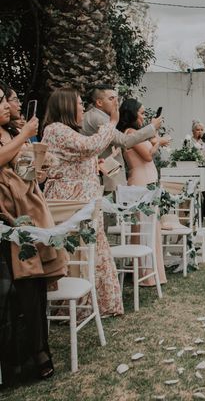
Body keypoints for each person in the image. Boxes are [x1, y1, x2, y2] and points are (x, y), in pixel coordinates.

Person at [0, 84, 67, 384]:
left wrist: (37, 172)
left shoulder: (11, 133)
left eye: (4, 100)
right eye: (0, 102)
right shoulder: (18, 134)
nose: (4, 106)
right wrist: (27, 135)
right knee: (20, 293)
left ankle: (40, 351)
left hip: (31, 215)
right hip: (8, 219)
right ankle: (25, 360)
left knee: (36, 288)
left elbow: (21, 171)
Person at [42, 88, 124, 317]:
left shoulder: (65, 131)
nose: (82, 108)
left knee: (90, 249)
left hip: (82, 201)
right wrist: (112, 122)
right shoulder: (55, 129)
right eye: (79, 104)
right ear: (67, 107)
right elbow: (89, 146)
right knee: (77, 251)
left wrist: (95, 163)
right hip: (69, 203)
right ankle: (75, 303)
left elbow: (82, 154)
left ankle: (94, 302)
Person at [117, 99, 169, 286]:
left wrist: (155, 140)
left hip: (147, 181)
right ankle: (146, 274)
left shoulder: (136, 133)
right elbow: (147, 156)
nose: (143, 116)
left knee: (150, 228)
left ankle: (150, 271)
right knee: (145, 228)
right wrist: (159, 143)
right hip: (140, 182)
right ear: (131, 113)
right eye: (140, 113)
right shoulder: (130, 133)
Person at [82, 85, 161, 193]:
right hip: (108, 177)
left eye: (116, 98)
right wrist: (151, 127)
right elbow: (125, 141)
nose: (116, 102)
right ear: (99, 102)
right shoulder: (98, 118)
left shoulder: (97, 116)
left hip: (106, 175)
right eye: (111, 99)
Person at [190, 121, 205, 221]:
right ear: (193, 131)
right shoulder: (189, 141)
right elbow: (188, 155)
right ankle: (198, 215)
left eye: (201, 129)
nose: (200, 132)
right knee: (196, 193)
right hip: (195, 169)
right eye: (197, 129)